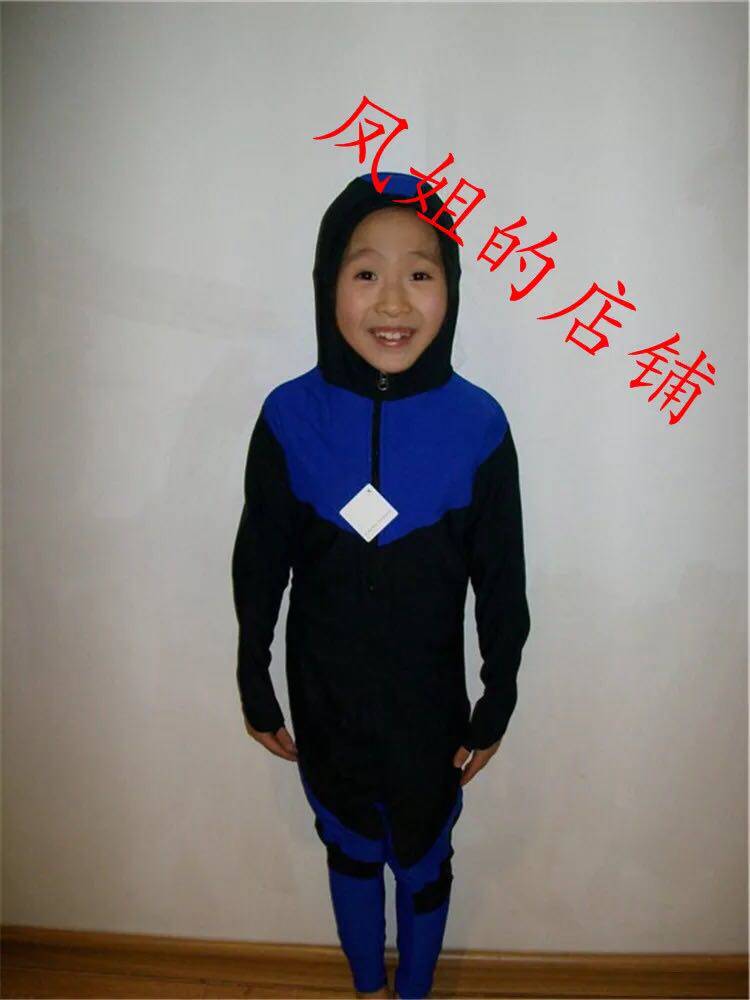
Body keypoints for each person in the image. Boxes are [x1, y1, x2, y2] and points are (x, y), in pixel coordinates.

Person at [231, 171, 531, 999]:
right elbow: (259, 562)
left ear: (451, 288)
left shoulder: (478, 426)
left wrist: (498, 696)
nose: (393, 302)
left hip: (430, 711)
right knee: (351, 847)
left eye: (420, 273)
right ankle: (368, 987)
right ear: (327, 282)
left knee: (425, 859)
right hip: (323, 700)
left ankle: (416, 990)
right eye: (366, 272)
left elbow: (503, 580)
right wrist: (254, 676)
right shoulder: (289, 418)